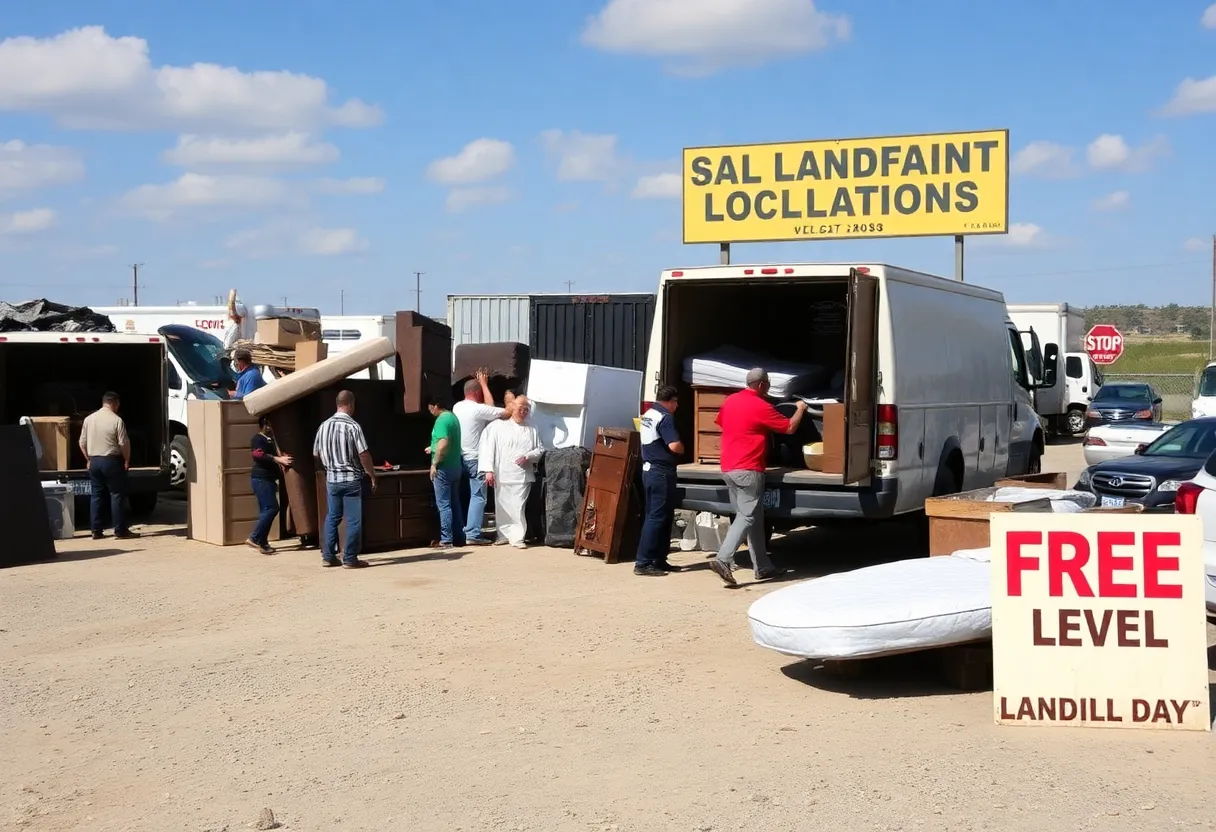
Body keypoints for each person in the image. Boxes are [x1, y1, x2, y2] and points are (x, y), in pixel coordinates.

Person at [709, 368, 808, 586]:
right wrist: (800, 408)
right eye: (769, 384)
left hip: (728, 467)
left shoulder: (731, 401)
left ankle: (763, 567)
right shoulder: (761, 406)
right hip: (748, 468)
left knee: (752, 516)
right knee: (747, 516)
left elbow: (724, 424)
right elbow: (789, 428)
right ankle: (723, 559)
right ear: (762, 384)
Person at [313, 390, 377, 568]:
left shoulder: (323, 426)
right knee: (353, 519)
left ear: (337, 404)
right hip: (351, 479)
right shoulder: (353, 426)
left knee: (332, 517)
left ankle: (328, 556)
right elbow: (363, 454)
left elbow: (315, 454)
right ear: (351, 404)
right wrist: (371, 474)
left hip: (332, 479)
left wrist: (329, 466)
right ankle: (349, 558)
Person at [479, 395, 544, 548]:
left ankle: (517, 537)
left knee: (518, 506)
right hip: (502, 474)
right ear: (513, 408)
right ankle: (503, 534)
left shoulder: (532, 428)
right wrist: (489, 470)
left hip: (522, 475)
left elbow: (540, 448)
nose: (523, 412)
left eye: (526, 409)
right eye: (520, 408)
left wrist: (528, 456)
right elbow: (487, 449)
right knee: (501, 506)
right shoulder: (496, 427)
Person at [452, 369, 508, 546]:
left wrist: (480, 385)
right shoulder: (477, 410)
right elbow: (500, 412)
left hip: (459, 458)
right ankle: (473, 533)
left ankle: (463, 530)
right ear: (477, 393)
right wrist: (485, 384)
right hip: (475, 458)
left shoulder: (457, 407)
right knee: (479, 496)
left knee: (464, 495)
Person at [634, 384, 684, 577]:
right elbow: (674, 445)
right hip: (661, 472)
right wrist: (682, 448)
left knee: (657, 516)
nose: (677, 406)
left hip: (649, 471)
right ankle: (644, 561)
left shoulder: (647, 414)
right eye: (676, 402)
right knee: (657, 517)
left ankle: (658, 560)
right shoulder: (665, 417)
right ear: (670, 401)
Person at [78, 392, 138, 540]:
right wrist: (126, 460)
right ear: (115, 403)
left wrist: (88, 459)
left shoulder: (88, 419)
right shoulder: (117, 420)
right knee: (116, 495)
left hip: (95, 461)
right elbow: (124, 443)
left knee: (96, 495)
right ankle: (120, 530)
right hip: (112, 461)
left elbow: (81, 442)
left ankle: (96, 530)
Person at [247, 416, 293, 555]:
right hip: (261, 479)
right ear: (265, 425)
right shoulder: (258, 439)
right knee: (271, 508)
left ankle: (263, 542)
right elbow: (258, 455)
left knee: (266, 510)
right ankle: (254, 537)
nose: (273, 429)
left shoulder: (270, 440)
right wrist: (278, 459)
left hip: (269, 480)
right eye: (271, 425)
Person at [427, 395, 466, 548]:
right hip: (456, 465)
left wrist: (434, 463)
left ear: (436, 406)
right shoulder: (453, 418)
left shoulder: (441, 420)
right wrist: (432, 448)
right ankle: (459, 537)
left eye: (430, 408)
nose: (430, 411)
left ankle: (446, 539)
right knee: (455, 503)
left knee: (443, 505)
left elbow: (443, 442)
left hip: (444, 468)